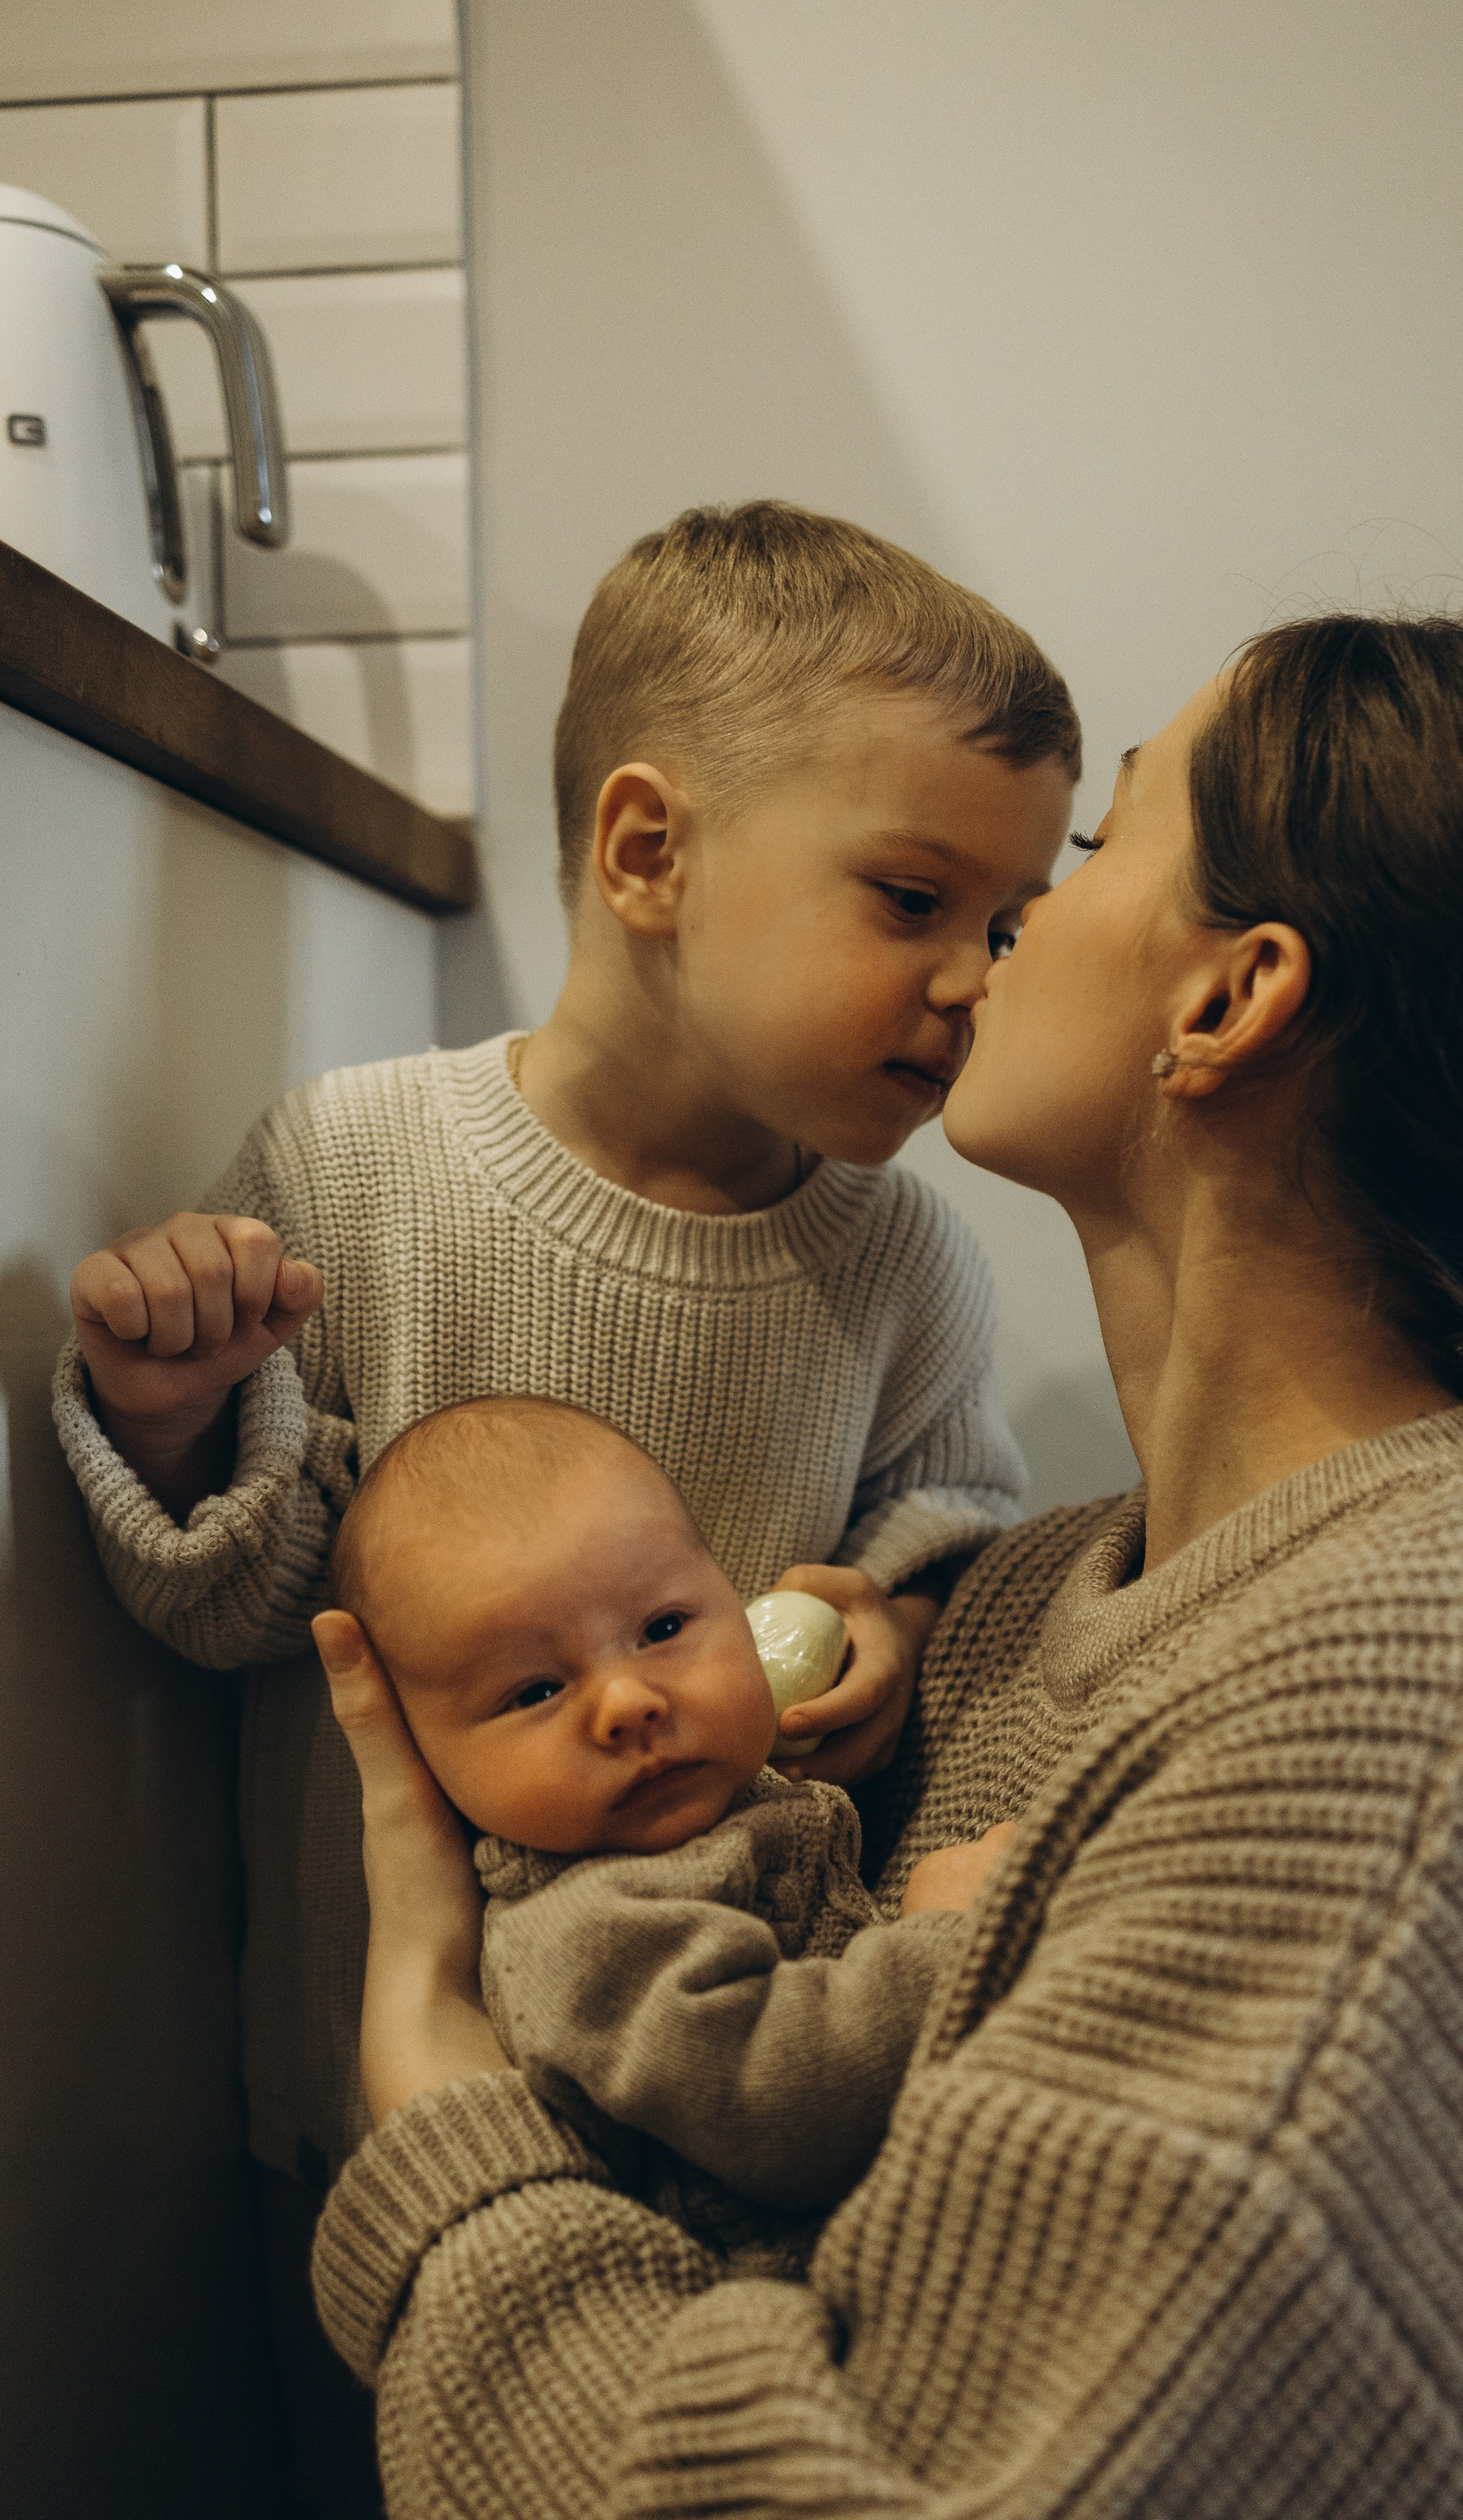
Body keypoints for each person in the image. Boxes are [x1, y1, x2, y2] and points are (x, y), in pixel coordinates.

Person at [311, 617, 1463, 2520]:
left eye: (1080, 850)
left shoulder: (1414, 1703)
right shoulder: (1032, 1609)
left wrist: (442, 2118)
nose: (999, 931)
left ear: (1230, 996)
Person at [52, 499, 1078, 2204]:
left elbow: (948, 1523)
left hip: (754, 2094)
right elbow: (241, 1612)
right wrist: (170, 1416)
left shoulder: (899, 1258)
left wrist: (891, 1621)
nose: (975, 980)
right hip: (385, 2090)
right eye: (913, 898)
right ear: (649, 852)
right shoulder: (352, 1170)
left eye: (1010, 923)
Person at [327, 1393, 998, 2246]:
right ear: (422, 1755)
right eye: (535, 1690)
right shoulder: (590, 1933)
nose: (629, 1702)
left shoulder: (729, 1806)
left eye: (663, 1627)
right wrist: (943, 1941)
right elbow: (784, 2103)